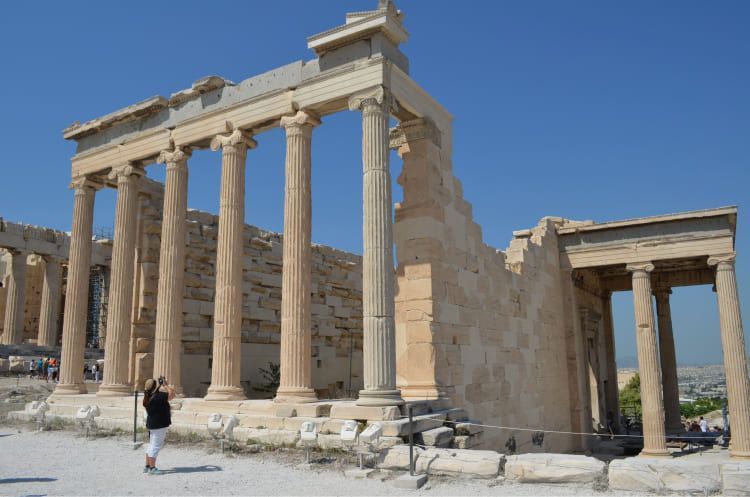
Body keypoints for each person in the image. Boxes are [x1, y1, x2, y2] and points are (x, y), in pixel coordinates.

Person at [143, 377, 175, 475]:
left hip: (152, 424)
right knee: (155, 446)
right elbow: (172, 395)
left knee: (152, 445)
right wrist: (165, 385)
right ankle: (152, 468)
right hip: (159, 425)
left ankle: (147, 466)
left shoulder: (147, 397)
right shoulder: (159, 396)